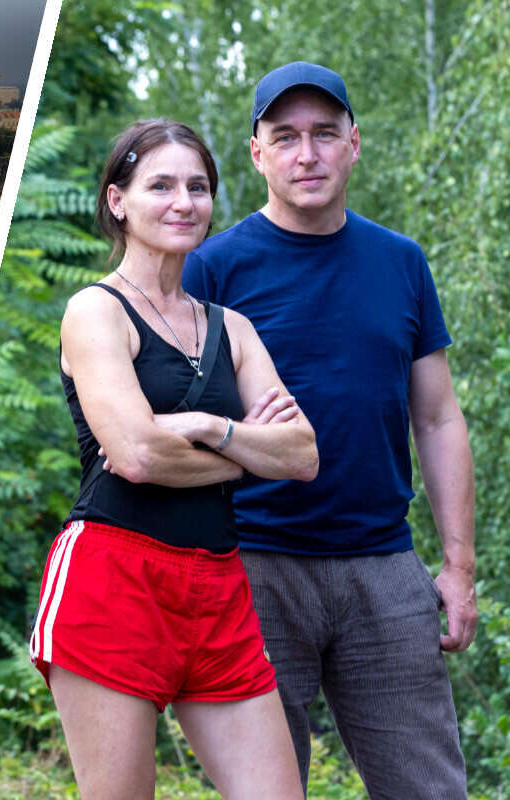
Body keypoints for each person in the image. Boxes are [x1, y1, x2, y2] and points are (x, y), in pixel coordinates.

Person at [182, 61, 477, 799]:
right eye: (285, 137)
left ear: (354, 144)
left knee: (431, 789)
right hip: (253, 566)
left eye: (323, 134)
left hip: (384, 570)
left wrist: (460, 568)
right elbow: (174, 427)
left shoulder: (401, 263)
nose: (305, 154)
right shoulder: (210, 269)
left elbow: (437, 418)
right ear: (257, 155)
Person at [29, 118, 318, 800]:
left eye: (198, 186)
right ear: (117, 200)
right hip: (113, 578)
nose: (183, 202)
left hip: (219, 589)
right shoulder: (94, 311)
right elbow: (133, 454)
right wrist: (251, 449)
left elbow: (303, 454)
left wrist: (203, 425)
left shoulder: (233, 328)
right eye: (160, 185)